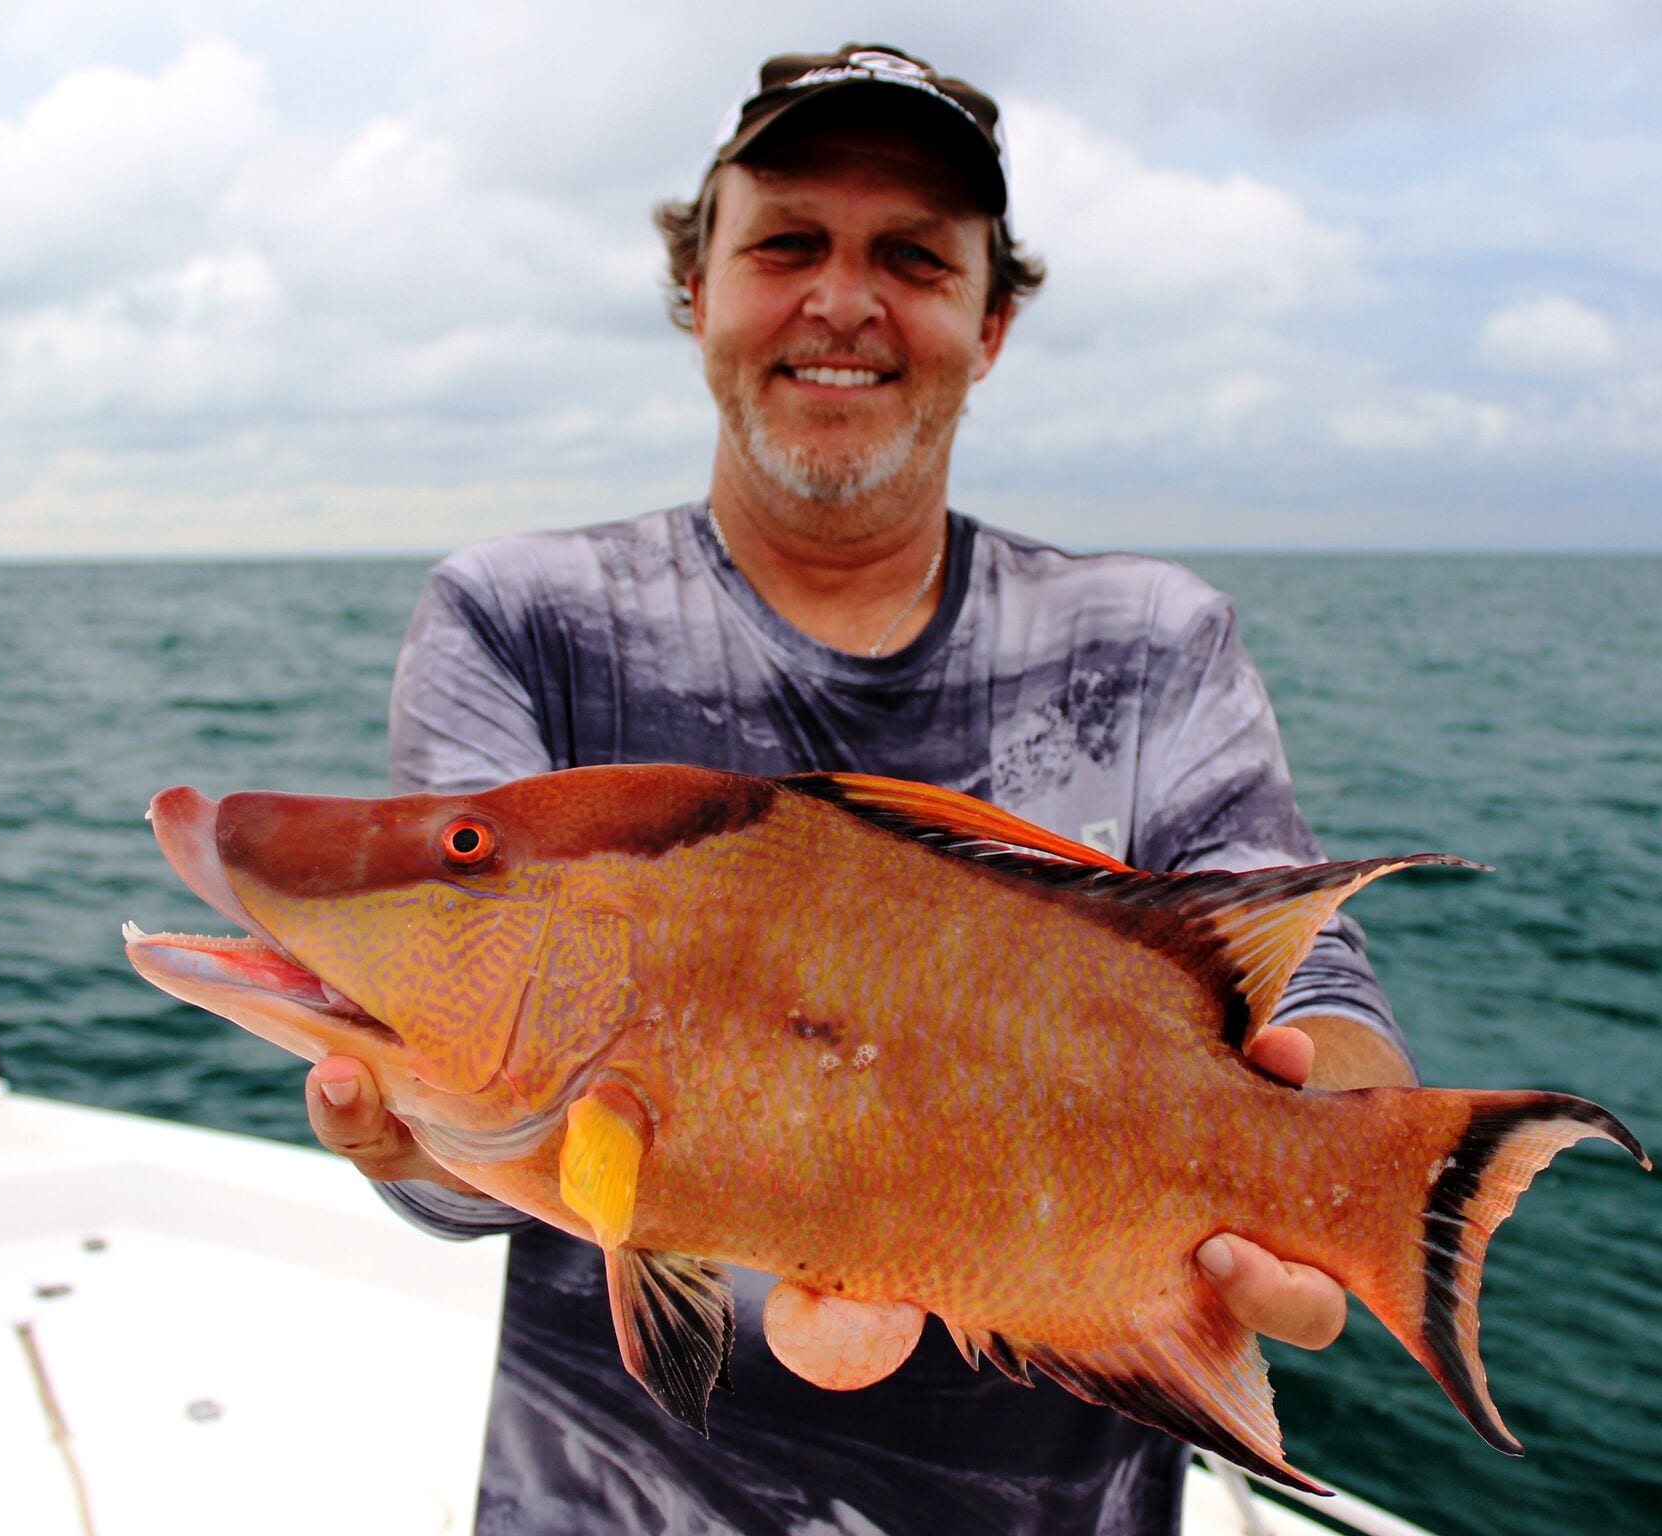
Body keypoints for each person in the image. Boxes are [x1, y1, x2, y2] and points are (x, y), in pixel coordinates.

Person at [304, 44, 1416, 1536]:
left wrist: (1338, 1167)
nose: (842, 301)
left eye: (912, 256)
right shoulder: (518, 620)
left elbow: (1309, 978)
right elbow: (469, 1121)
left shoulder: (1151, 639)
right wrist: (422, 1144)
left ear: (990, 321)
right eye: (785, 244)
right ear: (696, 286)